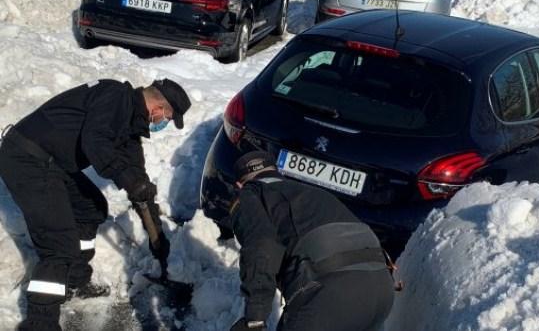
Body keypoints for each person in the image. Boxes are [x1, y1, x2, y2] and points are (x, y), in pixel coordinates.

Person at [0, 78, 191, 331]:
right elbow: (95, 142)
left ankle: (72, 279)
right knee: (59, 244)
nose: (163, 123)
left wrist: (158, 239)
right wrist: (127, 180)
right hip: (26, 157)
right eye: (168, 117)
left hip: (52, 163)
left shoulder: (129, 125)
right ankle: (40, 323)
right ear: (158, 108)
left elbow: (138, 181)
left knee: (91, 208)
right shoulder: (115, 97)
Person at [228, 152, 395, 331]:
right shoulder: (311, 192)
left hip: (331, 295)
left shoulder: (249, 193)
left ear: (239, 184)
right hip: (381, 290)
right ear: (276, 173)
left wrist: (255, 318)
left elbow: (261, 245)